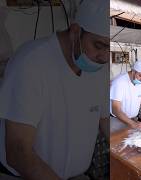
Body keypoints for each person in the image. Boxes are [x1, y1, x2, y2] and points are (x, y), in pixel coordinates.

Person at [0, 0, 108, 179]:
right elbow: (18, 151)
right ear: (75, 32)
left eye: (109, 48)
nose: (104, 57)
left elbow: (105, 120)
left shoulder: (98, 69)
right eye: (99, 45)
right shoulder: (31, 63)